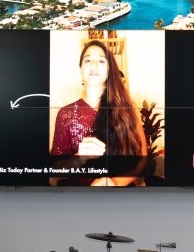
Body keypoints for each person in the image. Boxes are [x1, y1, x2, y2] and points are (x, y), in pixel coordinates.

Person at [50, 39, 147, 186]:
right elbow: (55, 169)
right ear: (81, 70)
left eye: (101, 61)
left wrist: (114, 183)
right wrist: (79, 158)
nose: (94, 65)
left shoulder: (127, 109)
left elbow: (141, 158)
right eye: (88, 60)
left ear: (110, 70)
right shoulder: (65, 114)